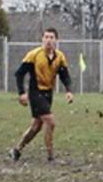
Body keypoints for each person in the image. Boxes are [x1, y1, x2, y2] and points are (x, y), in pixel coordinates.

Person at [11, 28, 73, 163]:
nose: (48, 40)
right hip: (35, 92)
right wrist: (21, 93)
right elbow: (19, 74)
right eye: (46, 37)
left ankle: (17, 149)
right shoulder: (34, 55)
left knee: (36, 126)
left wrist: (68, 90)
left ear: (56, 40)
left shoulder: (60, 56)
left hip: (48, 93)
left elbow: (64, 75)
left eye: (51, 37)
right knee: (50, 122)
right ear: (42, 40)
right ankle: (51, 156)